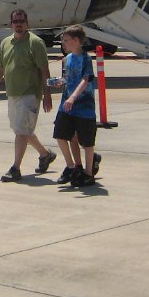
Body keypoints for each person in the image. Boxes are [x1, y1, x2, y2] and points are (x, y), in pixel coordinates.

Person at [0, 8, 55, 181]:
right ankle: (45, 155)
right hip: (13, 94)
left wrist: (47, 94)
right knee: (22, 130)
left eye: (22, 21)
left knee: (21, 131)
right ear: (11, 24)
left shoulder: (35, 43)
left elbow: (44, 70)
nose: (19, 24)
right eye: (15, 21)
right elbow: (0, 69)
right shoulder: (6, 43)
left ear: (27, 23)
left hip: (30, 94)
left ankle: (15, 168)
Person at [53, 25, 99, 187]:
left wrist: (73, 97)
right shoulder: (66, 60)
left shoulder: (86, 59)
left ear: (76, 40)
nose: (63, 44)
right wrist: (59, 82)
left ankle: (88, 173)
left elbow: (85, 79)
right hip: (66, 104)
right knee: (61, 134)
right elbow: (67, 78)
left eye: (66, 40)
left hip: (83, 106)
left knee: (87, 142)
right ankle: (73, 166)